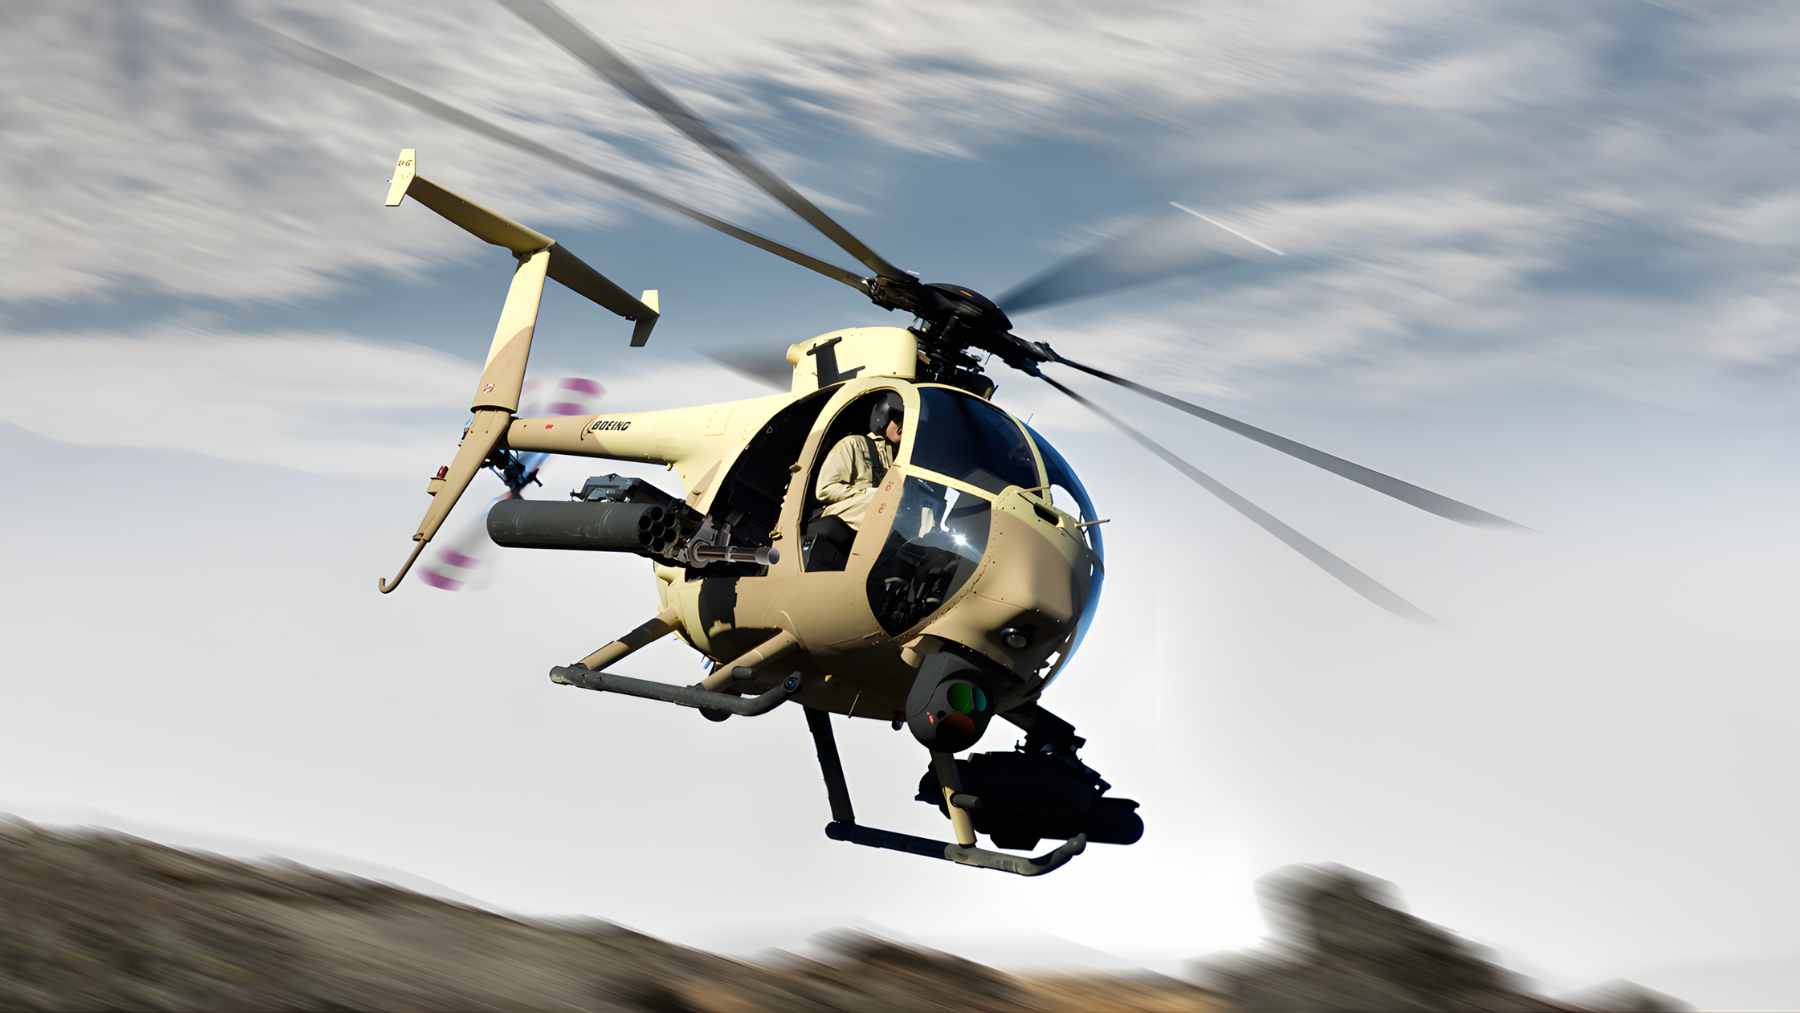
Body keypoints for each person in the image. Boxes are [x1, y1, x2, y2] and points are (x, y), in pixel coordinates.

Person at [804, 392, 904, 570]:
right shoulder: (854, 444)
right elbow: (825, 489)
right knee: (883, 500)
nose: (903, 426)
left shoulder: (897, 459)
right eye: (898, 419)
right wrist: (868, 494)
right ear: (883, 416)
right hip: (843, 514)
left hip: (875, 518)